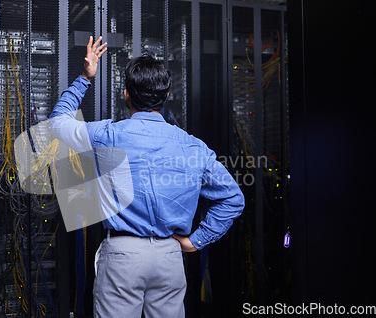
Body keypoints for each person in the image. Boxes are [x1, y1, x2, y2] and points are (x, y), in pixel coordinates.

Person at [48, 36, 245, 318]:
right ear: (166, 97)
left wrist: (85, 76)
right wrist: (196, 241)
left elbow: (57, 124)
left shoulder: (108, 135)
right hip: (169, 257)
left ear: (126, 95)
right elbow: (233, 200)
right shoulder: (194, 147)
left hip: (121, 256)